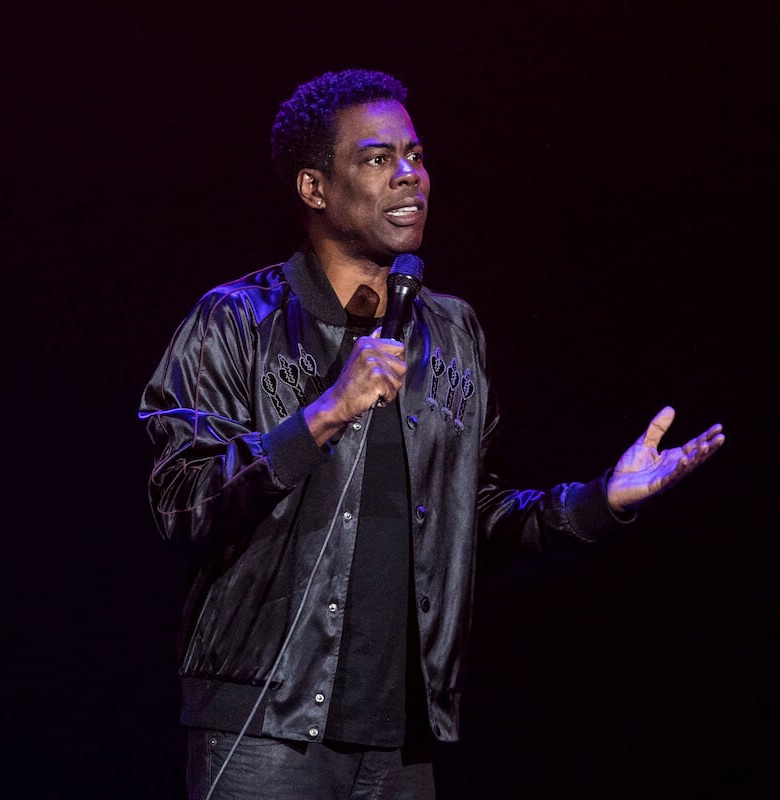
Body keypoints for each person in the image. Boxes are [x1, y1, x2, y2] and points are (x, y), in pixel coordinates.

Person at [138, 67, 725, 800]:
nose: (411, 176)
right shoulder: (233, 320)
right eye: (379, 159)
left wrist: (603, 500)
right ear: (315, 189)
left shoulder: (453, 333)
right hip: (265, 729)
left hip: (402, 740)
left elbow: (476, 521)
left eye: (416, 156)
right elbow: (181, 503)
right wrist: (324, 413)